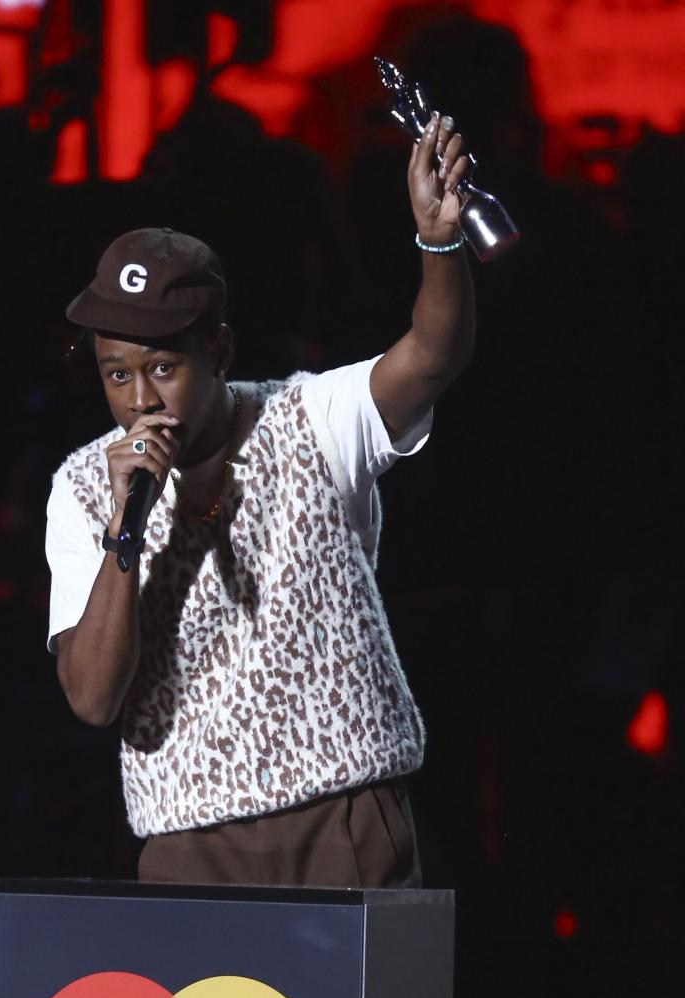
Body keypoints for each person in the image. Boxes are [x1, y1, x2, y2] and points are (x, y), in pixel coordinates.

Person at [45, 112, 475, 888]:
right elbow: (93, 696)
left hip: (342, 821)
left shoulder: (310, 419)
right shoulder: (84, 487)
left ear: (218, 351)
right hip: (189, 845)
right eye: (117, 375)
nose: (142, 398)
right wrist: (127, 530)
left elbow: (432, 357)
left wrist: (439, 241)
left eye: (164, 367)